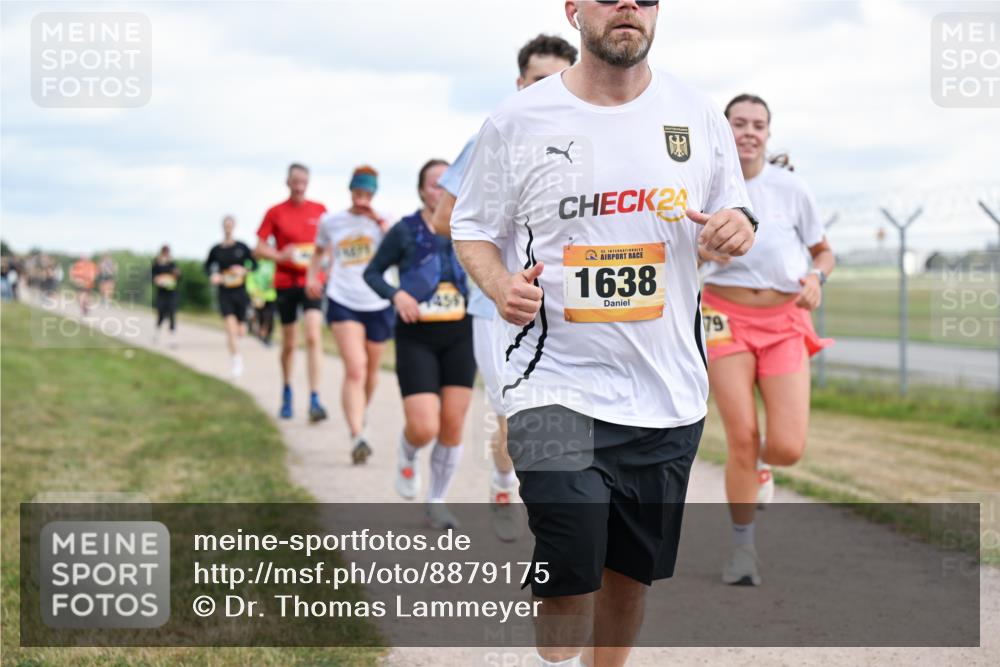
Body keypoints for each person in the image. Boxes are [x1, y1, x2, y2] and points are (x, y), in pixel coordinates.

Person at [450, 1, 757, 665]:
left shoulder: (697, 113)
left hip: (666, 394)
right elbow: (471, 226)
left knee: (627, 580)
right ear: (573, 9)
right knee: (568, 591)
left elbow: (732, 206)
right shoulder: (517, 121)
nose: (628, 6)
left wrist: (738, 224)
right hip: (553, 385)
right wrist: (501, 284)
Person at [433, 34, 578, 542]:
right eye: (538, 80)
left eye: (558, 79)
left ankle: (567, 515)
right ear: (520, 83)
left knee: (567, 410)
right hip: (496, 304)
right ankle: (502, 484)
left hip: (569, 303)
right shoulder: (490, 139)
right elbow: (445, 218)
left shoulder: (590, 143)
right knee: (514, 411)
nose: (547, 89)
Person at [700, 93, 835, 587]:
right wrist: (704, 250)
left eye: (758, 125)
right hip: (723, 315)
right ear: (724, 130)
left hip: (784, 321)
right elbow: (686, 250)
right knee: (741, 437)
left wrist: (818, 277)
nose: (749, 132)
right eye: (739, 123)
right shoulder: (707, 183)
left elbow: (823, 251)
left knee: (787, 447)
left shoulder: (790, 187)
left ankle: (763, 466)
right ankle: (743, 550)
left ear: (768, 134)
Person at [364, 159, 475, 531]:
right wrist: (396, 295)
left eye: (447, 183)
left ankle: (436, 501)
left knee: (453, 424)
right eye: (433, 184)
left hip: (461, 333)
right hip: (417, 335)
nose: (440, 190)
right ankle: (408, 450)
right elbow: (372, 273)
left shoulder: (469, 225)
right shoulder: (404, 230)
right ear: (420, 190)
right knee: (425, 426)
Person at [309, 166, 394, 465]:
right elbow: (318, 252)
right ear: (350, 190)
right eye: (358, 192)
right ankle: (357, 435)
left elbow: (401, 247)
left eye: (367, 194)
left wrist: (378, 221)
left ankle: (361, 411)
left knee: (371, 371)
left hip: (378, 301)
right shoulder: (331, 221)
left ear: (374, 194)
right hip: (343, 298)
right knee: (356, 369)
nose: (362, 199)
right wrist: (312, 277)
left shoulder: (385, 218)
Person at [255, 163, 329, 421]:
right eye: (295, 182)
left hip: (312, 282)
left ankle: (315, 398)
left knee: (313, 336)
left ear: (308, 183)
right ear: (287, 182)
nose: (299, 187)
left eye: (303, 182)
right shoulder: (275, 212)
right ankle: (287, 391)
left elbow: (331, 244)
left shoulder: (319, 210)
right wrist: (279, 255)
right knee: (289, 343)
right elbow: (258, 248)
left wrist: (327, 266)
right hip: (286, 283)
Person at [205, 215, 257, 378]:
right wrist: (213, 275)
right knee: (231, 329)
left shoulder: (242, 247)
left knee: (241, 331)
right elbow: (207, 267)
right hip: (224, 292)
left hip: (240, 292)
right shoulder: (216, 249)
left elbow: (254, 264)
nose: (228, 227)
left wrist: (244, 270)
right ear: (223, 227)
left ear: (234, 226)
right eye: (226, 225)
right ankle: (236, 361)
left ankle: (242, 329)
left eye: (230, 225)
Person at [151, 245, 181, 346]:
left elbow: (179, 277)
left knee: (172, 314)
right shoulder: (156, 264)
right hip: (161, 293)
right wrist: (156, 279)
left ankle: (172, 338)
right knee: (161, 314)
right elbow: (151, 276)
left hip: (171, 293)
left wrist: (177, 274)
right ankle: (156, 335)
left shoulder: (173, 264)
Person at [247, 258, 278, 347]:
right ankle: (261, 334)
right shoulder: (253, 262)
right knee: (260, 316)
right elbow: (250, 279)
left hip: (271, 295)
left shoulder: (273, 262)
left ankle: (267, 336)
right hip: (258, 295)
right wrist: (253, 291)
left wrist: (275, 282)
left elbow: (276, 275)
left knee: (269, 317)